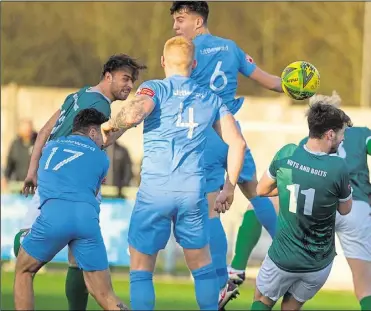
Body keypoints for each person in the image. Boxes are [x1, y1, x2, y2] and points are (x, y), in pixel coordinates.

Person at [102, 35, 246, 311]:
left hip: (155, 191)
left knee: (142, 268)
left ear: (162, 61)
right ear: (193, 64)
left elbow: (132, 115)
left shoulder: (155, 89)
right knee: (202, 266)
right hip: (192, 193)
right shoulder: (210, 98)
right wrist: (229, 187)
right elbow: (237, 143)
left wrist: (110, 125)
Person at [170, 2, 282, 306]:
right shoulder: (231, 48)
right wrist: (296, 87)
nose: (176, 27)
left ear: (197, 21)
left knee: (209, 210)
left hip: (203, 135)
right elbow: (270, 81)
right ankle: (290, 254)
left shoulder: (185, 53)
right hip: (233, 134)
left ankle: (221, 282)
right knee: (257, 194)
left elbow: (174, 92)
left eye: (180, 20)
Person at [14, 54, 146, 311]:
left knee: (26, 260)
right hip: (75, 182)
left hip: (52, 176)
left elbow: (44, 132)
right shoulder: (101, 106)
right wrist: (125, 125)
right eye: (125, 78)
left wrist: (32, 170)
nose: (129, 86)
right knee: (81, 267)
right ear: (107, 76)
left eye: (132, 81)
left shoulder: (76, 95)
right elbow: (100, 141)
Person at [14, 108, 128, 311]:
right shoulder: (102, 158)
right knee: (105, 295)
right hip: (86, 221)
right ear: (92, 132)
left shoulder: (50, 146)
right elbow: (92, 189)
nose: (102, 140)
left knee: (24, 270)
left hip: (54, 216)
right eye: (100, 135)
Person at [251, 102, 353, 311]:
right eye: (342, 134)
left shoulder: (286, 154)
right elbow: (345, 209)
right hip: (318, 263)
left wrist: (287, 188)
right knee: (291, 307)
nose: (343, 139)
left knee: (262, 299)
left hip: (283, 257)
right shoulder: (338, 167)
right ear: (330, 134)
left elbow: (260, 190)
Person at [298, 91, 371, 311]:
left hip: (319, 207)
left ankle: (238, 267)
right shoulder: (360, 134)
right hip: (356, 207)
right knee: (365, 285)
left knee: (295, 279)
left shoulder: (307, 142)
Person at [3, 119, 37, 188]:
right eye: (24, 129)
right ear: (19, 130)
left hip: (36, 185)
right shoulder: (15, 144)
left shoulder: (39, 142)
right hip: (20, 185)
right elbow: (9, 163)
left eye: (28, 128)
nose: (27, 131)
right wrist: (5, 178)